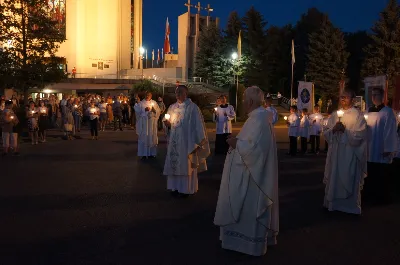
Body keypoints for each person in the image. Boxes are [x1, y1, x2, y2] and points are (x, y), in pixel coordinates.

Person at [214, 86, 279, 256]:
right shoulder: (259, 118)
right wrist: (237, 141)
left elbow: (256, 151)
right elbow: (254, 144)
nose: (242, 102)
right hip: (253, 173)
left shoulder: (259, 119)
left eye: (243, 99)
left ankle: (249, 244)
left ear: (250, 101)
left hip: (253, 178)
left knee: (249, 208)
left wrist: (237, 144)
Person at [323, 89, 367, 215]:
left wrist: (345, 131)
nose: (343, 99)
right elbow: (326, 132)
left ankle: (349, 206)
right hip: (336, 153)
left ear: (353, 100)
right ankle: (333, 204)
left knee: (348, 177)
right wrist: (333, 130)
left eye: (346, 97)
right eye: (341, 97)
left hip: (349, 154)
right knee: (334, 177)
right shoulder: (335, 114)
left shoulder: (358, 115)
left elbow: (360, 135)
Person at [163, 85, 210, 197]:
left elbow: (198, 126)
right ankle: (174, 187)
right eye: (177, 92)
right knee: (174, 164)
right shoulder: (172, 107)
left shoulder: (192, 108)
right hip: (174, 141)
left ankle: (186, 189)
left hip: (186, 143)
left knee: (186, 165)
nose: (178, 94)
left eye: (180, 92)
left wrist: (199, 140)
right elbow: (166, 120)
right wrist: (167, 125)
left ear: (186, 93)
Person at [364, 87, 398, 204]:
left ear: (382, 96)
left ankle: (381, 198)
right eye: (372, 95)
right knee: (370, 172)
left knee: (381, 173)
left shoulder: (388, 112)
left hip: (380, 148)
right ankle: (370, 195)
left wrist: (388, 148)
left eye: (376, 95)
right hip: (369, 147)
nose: (373, 97)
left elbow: (390, 131)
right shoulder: (368, 110)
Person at [136, 92, 161, 159]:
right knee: (144, 136)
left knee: (152, 136)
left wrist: (154, 110)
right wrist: (144, 110)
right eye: (146, 95)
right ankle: (143, 153)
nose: (147, 96)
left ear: (151, 96)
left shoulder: (154, 103)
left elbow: (158, 111)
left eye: (149, 95)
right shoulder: (141, 103)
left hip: (152, 123)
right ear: (144, 95)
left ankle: (152, 153)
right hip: (144, 123)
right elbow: (137, 111)